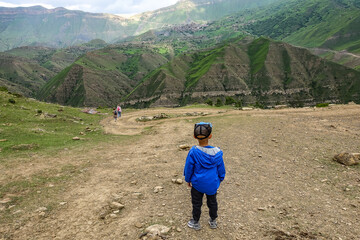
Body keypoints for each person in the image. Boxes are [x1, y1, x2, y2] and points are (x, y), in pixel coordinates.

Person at [184, 122, 226, 230]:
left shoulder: (193, 151)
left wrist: (188, 179)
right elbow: (221, 169)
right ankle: (213, 221)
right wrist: (220, 179)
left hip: (197, 184)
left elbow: (189, 167)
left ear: (194, 136)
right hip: (212, 184)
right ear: (210, 136)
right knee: (212, 202)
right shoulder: (217, 152)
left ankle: (195, 222)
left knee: (196, 203)